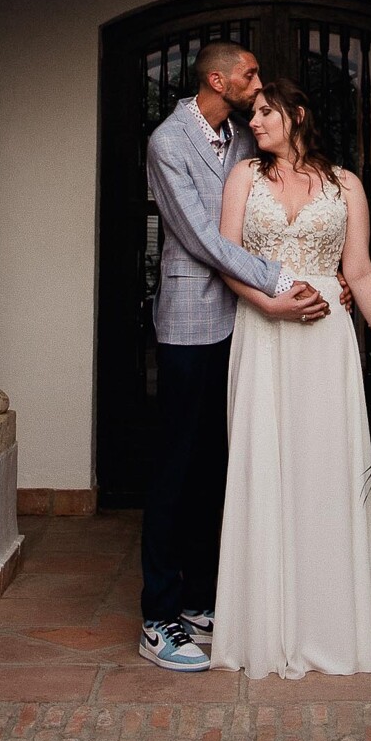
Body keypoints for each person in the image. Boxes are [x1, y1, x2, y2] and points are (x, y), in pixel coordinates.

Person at [211, 77, 371, 679]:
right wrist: (269, 303)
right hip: (263, 329)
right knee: (264, 463)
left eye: (265, 112)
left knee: (326, 468)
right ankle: (266, 624)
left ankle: (332, 620)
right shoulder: (243, 177)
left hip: (327, 339)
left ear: (297, 114)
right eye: (252, 114)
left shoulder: (345, 184)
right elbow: (227, 256)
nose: (254, 122)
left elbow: (361, 271)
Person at [139, 42, 333, 673]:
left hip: (245, 322)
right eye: (250, 74)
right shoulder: (168, 142)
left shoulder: (244, 138)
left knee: (218, 462)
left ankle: (199, 598)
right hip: (192, 320)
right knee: (175, 464)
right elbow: (200, 237)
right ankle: (157, 616)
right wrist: (280, 280)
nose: (259, 82)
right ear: (219, 80)